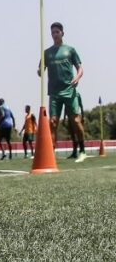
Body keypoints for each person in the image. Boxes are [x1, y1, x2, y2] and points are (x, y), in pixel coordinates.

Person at [38, 22, 85, 162]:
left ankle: (82, 150)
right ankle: (50, 152)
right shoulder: (46, 53)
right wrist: (40, 71)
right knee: (52, 122)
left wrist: (77, 77)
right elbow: (40, 70)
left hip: (69, 91)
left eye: (57, 32)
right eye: (52, 32)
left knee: (76, 121)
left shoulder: (70, 50)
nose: (55, 34)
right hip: (54, 93)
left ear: (62, 33)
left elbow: (80, 68)